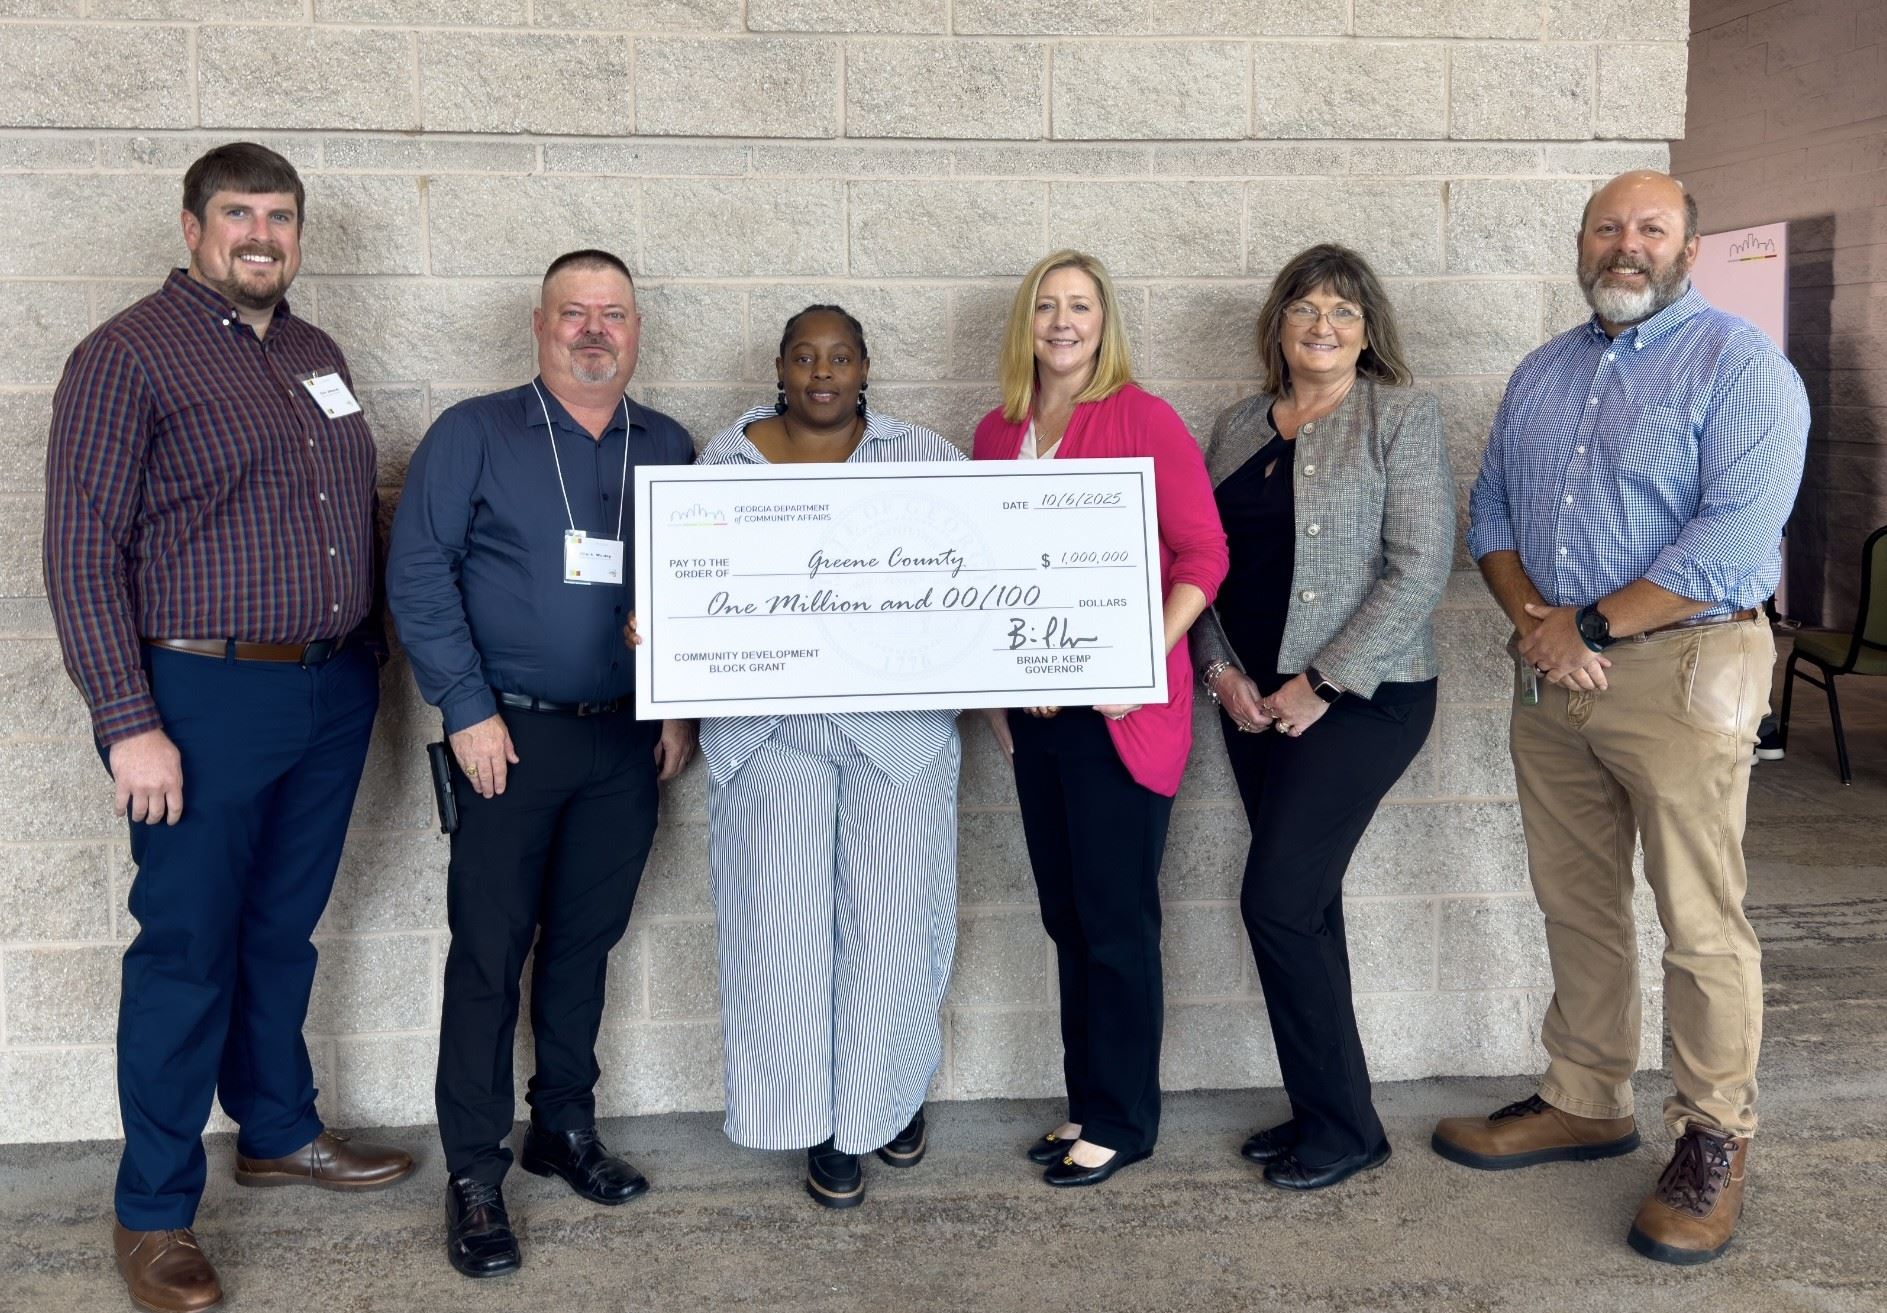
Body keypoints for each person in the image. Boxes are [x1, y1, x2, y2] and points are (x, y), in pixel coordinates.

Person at [42, 141, 413, 1313]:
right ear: (194, 226)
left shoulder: (315, 353)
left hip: (330, 690)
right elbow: (82, 553)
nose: (262, 234)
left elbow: (350, 513)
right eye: (240, 213)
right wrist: (128, 722)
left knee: (280, 929)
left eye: (281, 215)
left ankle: (277, 1127)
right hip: (199, 700)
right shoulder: (124, 356)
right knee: (187, 947)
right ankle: (153, 1209)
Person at [1441, 170, 1809, 1265]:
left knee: (1699, 918)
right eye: (1607, 226)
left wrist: (1587, 625)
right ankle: (1586, 1096)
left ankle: (1713, 1138)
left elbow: (1732, 537)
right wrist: (1538, 622)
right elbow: (1491, 508)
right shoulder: (1542, 371)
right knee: (1576, 898)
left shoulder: (1741, 365)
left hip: (1684, 666)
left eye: (1651, 227)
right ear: (1581, 243)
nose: (1626, 244)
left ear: (1690, 248)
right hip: (1553, 671)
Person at [386, 249, 696, 1278]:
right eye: (575, 312)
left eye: (614, 313)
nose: (594, 329)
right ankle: (475, 1172)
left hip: (626, 739)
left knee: (583, 945)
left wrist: (676, 705)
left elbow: (700, 584)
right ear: (539, 324)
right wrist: (466, 708)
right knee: (489, 954)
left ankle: (562, 1126)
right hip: (507, 738)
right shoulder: (473, 433)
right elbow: (418, 574)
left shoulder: (668, 444)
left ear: (636, 330)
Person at [629, 305, 963, 1210]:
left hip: (897, 737)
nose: (822, 371)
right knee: (779, 931)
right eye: (805, 356)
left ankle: (883, 1101)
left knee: (895, 925)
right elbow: (685, 586)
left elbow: (971, 578)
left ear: (865, 367)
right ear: (779, 366)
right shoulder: (723, 462)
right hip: (767, 733)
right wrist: (661, 637)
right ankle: (815, 1122)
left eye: (840, 356)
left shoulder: (922, 455)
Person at [1190, 245, 1454, 1190]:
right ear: (1279, 325)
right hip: (1250, 704)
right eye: (1304, 308)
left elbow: (1419, 568)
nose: (1322, 325)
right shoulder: (1232, 426)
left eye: (1342, 310)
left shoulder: (1400, 416)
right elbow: (1197, 562)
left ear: (1367, 328)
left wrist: (1321, 682)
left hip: (1364, 702)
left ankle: (1343, 1129)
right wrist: (1218, 670)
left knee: (1274, 901)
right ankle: (1327, 1109)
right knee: (1303, 905)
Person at [973, 250, 1228, 1188]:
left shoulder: (1142, 418)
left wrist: (1138, 656)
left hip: (1119, 713)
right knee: (1067, 917)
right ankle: (1088, 1100)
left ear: (1103, 320)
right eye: (1045, 305)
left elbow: (1204, 553)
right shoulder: (996, 430)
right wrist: (1001, 690)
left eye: (1079, 306)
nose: (1062, 322)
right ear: (1025, 322)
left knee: (1116, 920)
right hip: (1036, 717)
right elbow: (984, 566)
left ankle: (1124, 1119)